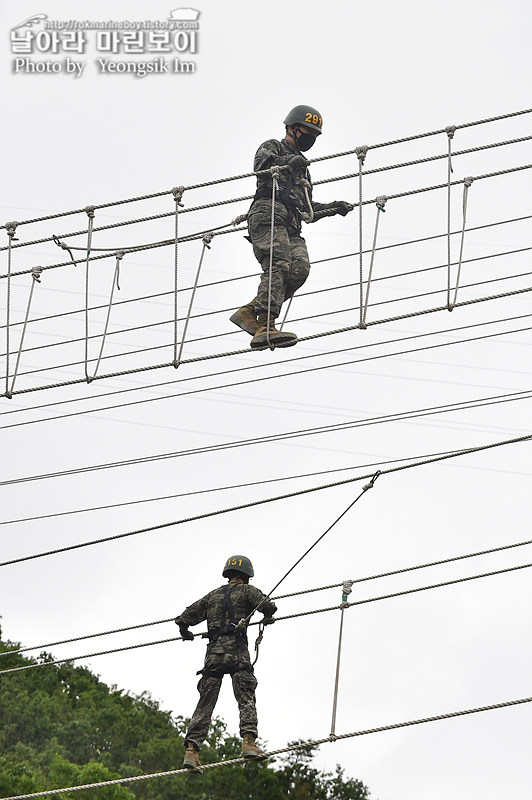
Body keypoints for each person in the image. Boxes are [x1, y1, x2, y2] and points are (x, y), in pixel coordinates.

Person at [230, 104, 354, 350]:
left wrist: (333, 207)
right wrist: (289, 160)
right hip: (268, 214)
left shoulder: (303, 170)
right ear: (292, 129)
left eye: (314, 135)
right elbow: (262, 164)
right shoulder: (274, 147)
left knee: (299, 269)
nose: (310, 138)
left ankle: (248, 312)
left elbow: (305, 207)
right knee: (279, 262)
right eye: (307, 132)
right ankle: (265, 325)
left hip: (290, 224)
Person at [175, 555, 277, 772]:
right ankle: (248, 743)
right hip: (237, 654)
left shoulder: (212, 596)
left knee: (205, 704)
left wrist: (186, 632)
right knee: (246, 697)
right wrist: (267, 616)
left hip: (213, 656)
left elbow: (184, 618)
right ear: (246, 577)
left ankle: (191, 752)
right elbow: (268, 606)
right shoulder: (247, 591)